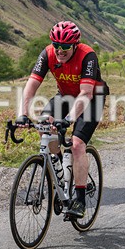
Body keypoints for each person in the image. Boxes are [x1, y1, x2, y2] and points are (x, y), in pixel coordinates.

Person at [16, 21, 109, 218]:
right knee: (44, 126)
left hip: (92, 98)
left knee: (76, 145)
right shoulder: (48, 54)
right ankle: (61, 171)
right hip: (65, 96)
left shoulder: (88, 56)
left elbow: (86, 94)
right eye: (56, 45)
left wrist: (68, 119)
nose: (60, 50)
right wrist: (23, 114)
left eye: (65, 47)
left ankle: (81, 201)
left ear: (75, 45)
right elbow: (31, 86)